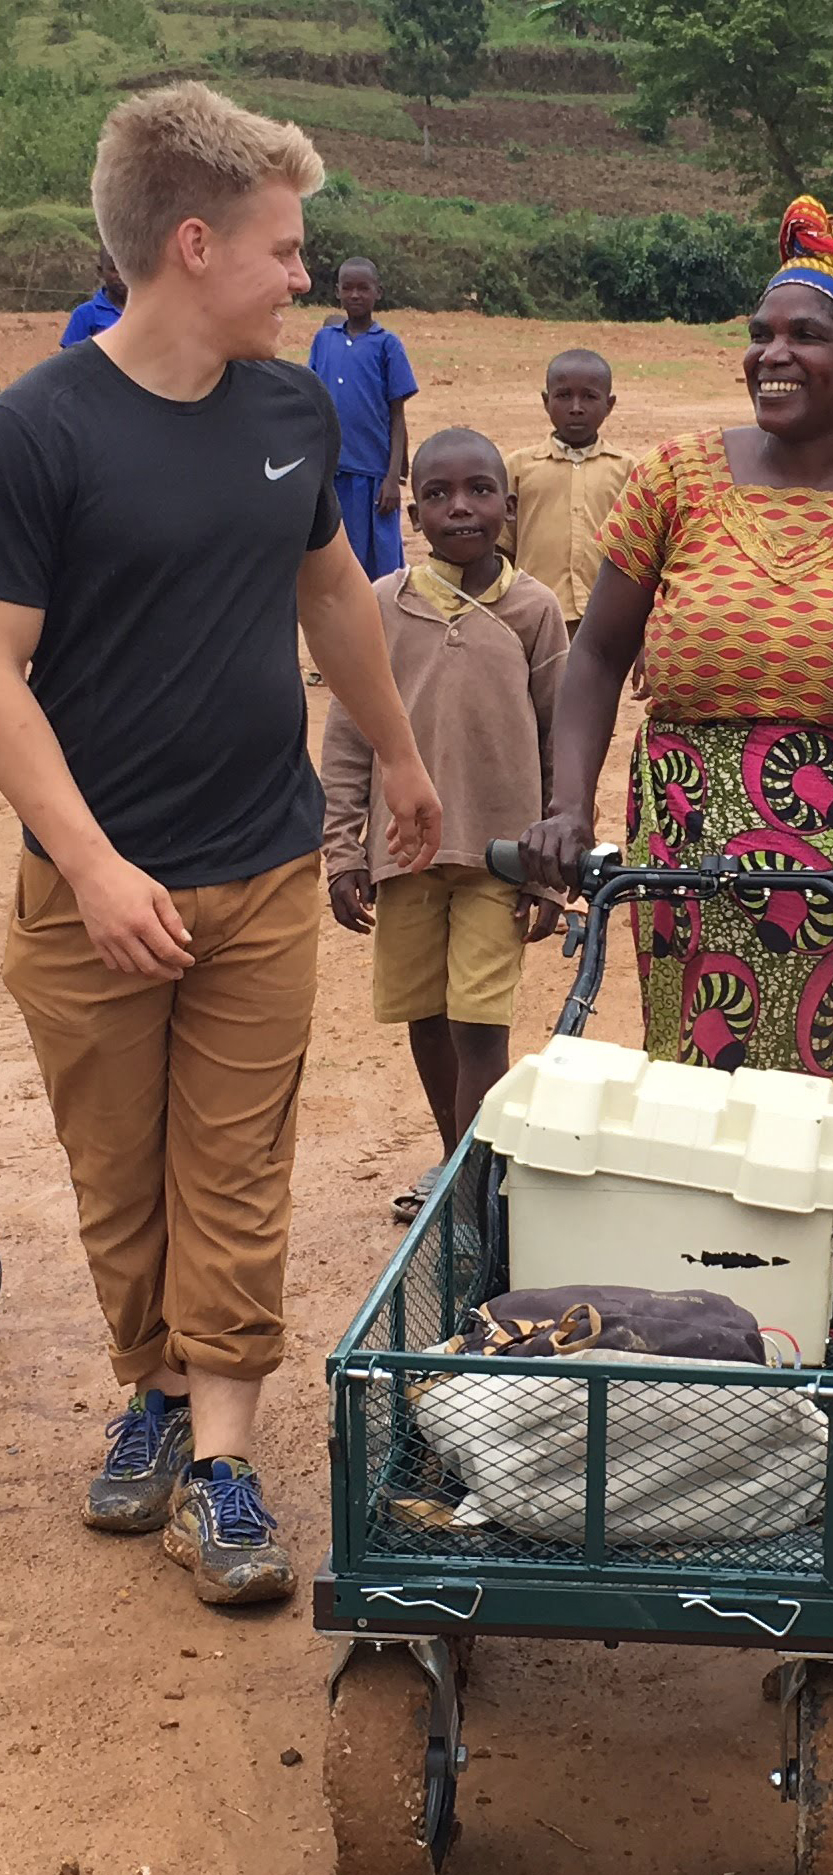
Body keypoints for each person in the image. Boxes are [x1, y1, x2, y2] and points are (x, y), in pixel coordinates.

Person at [0, 83, 441, 1607]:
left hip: (258, 868)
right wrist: (96, 867)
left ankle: (228, 1465)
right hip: (87, 894)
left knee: (238, 1167)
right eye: (285, 249)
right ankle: (154, 1386)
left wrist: (394, 751)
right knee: (120, 1177)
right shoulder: (38, 431)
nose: (305, 277)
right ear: (195, 245)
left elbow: (329, 592)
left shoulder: (290, 407)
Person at [520, 195, 833, 1110]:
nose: (771, 355)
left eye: (805, 336)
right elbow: (597, 658)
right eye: (760, 334)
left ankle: (832, 1257)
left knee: (831, 1098)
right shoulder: (674, 477)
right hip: (687, 842)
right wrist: (566, 806)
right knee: (691, 1089)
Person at [322, 428, 567, 1224]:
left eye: (478, 491)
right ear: (413, 508)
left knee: (479, 1021)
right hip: (402, 855)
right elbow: (350, 736)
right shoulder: (380, 607)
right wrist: (340, 852)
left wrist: (550, 865)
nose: (460, 507)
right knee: (424, 1013)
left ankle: (477, 1187)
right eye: (437, 494)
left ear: (508, 502)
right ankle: (458, 1156)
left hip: (502, 857)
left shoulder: (534, 612)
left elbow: (561, 740)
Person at [503, 349, 635, 642]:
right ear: (545, 401)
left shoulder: (628, 470)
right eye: (563, 396)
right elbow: (501, 547)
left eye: (589, 397)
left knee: (594, 687)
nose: (576, 407)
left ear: (609, 404)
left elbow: (641, 556)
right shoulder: (518, 468)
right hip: (531, 615)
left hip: (602, 617)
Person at [307, 256, 417, 580]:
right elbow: (314, 401)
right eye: (348, 288)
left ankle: (382, 628)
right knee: (336, 562)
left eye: (363, 288)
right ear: (337, 292)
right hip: (333, 472)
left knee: (379, 564)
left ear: (378, 292)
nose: (355, 295)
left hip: (373, 476)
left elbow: (397, 415)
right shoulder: (324, 340)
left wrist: (393, 477)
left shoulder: (387, 345)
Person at [59, 246, 126, 347]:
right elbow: (70, 360)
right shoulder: (85, 314)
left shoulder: (148, 310)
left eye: (126, 268)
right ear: (100, 271)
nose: (121, 275)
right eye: (114, 269)